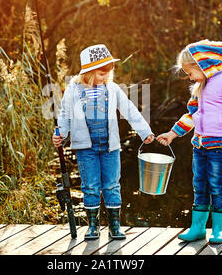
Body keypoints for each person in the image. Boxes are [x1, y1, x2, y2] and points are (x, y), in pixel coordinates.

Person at [53, 44, 154, 240]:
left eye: (108, 73)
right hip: (85, 148)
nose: (106, 77)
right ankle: (93, 225)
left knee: (112, 185)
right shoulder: (74, 89)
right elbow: (65, 114)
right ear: (88, 72)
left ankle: (114, 225)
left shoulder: (113, 89)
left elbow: (130, 110)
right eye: (101, 73)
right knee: (90, 186)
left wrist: (145, 132)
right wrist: (60, 134)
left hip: (110, 147)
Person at [156, 39, 222, 244]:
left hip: (220, 147)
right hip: (199, 146)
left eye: (190, 71)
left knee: (217, 187)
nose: (189, 76)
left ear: (204, 64)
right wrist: (173, 134)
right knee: (199, 186)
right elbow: (191, 115)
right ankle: (198, 227)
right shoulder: (199, 87)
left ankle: (218, 228)